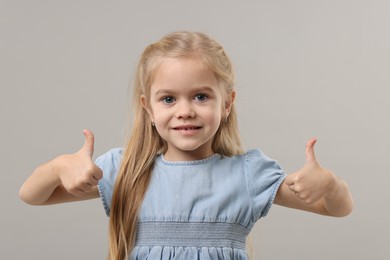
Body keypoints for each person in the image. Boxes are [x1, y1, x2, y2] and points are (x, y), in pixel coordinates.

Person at [19, 31, 354, 260]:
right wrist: (59, 166)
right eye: (168, 98)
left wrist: (331, 185)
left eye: (201, 96)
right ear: (148, 108)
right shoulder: (125, 170)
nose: (185, 110)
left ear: (226, 104)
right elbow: (32, 195)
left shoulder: (248, 175)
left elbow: (337, 209)